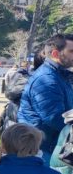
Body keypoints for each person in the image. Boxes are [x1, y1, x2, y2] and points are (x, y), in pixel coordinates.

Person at [18, 33, 73, 161]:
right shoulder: (46, 79)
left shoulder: (61, 76)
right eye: (71, 51)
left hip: (53, 146)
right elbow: (56, 118)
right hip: (42, 150)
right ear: (55, 54)